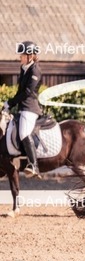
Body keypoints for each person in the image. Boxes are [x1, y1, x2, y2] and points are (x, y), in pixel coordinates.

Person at [4, 41, 44, 178]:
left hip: (30, 108)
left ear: (30, 56)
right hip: (22, 107)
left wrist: (12, 102)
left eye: (22, 55)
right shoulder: (24, 68)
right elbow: (20, 91)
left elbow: (27, 92)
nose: (20, 57)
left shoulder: (35, 70)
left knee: (23, 133)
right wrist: (9, 104)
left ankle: (34, 165)